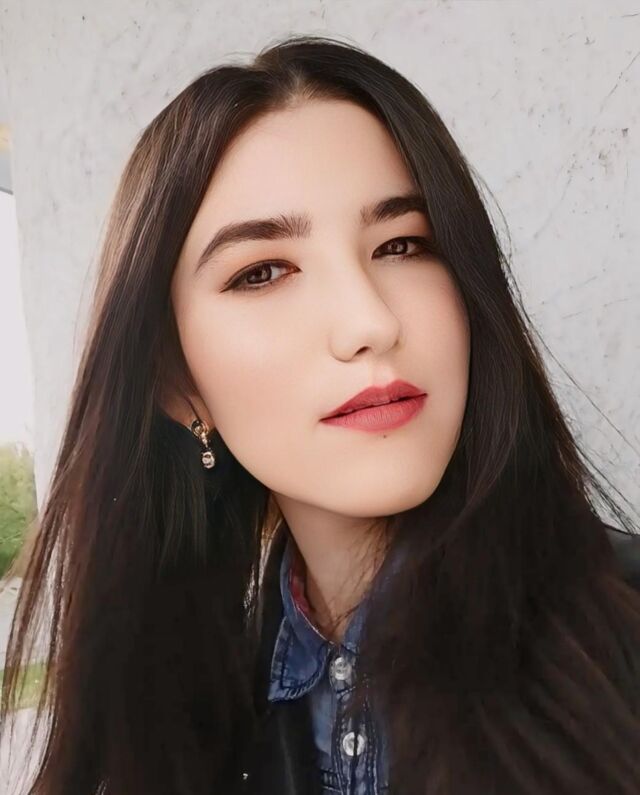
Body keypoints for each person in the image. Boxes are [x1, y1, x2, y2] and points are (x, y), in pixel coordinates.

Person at [1, 33, 639, 795]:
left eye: (402, 244)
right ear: (178, 382)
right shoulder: (174, 729)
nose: (369, 321)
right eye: (262, 271)